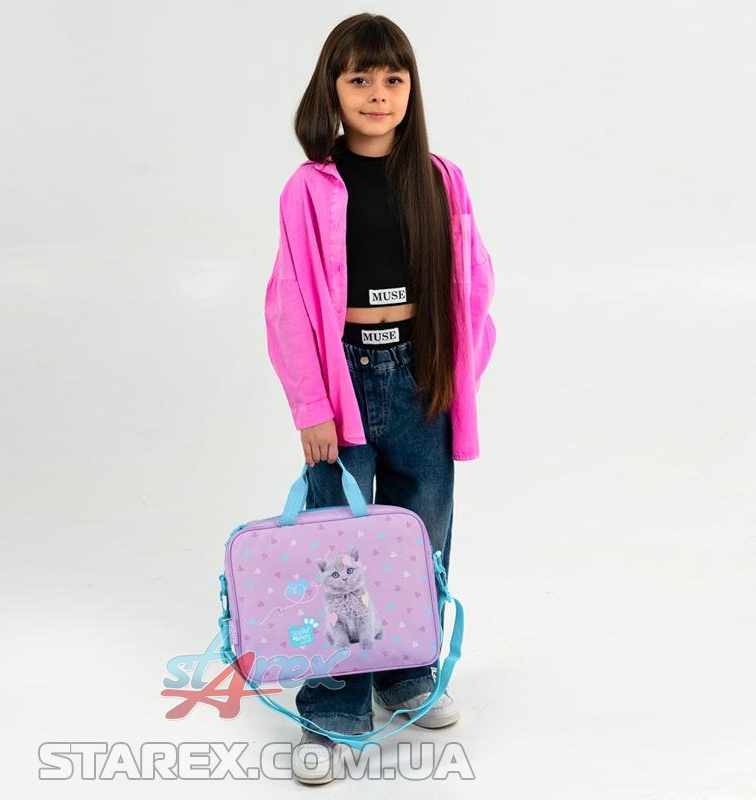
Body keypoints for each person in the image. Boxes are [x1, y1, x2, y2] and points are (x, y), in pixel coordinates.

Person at [263, 13, 497, 784]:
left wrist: (458, 373)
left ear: (410, 88)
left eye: (393, 78)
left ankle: (405, 672)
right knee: (341, 544)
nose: (377, 93)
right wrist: (311, 407)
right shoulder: (310, 187)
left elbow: (473, 282)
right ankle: (333, 704)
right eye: (359, 77)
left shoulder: (440, 178)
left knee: (421, 531)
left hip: (421, 373)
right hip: (346, 378)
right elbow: (289, 303)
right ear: (331, 88)